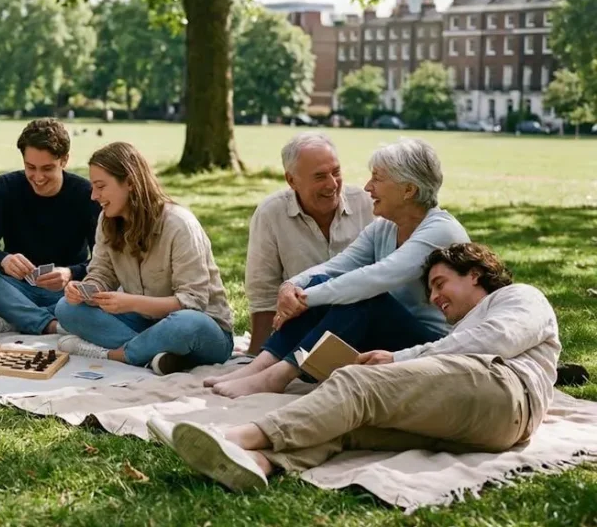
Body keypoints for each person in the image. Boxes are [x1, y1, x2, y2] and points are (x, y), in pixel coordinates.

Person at [161, 243, 558, 492]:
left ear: (475, 274)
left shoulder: (519, 296)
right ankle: (259, 463)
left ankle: (235, 437)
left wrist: (398, 359)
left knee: (358, 381)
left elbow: (493, 343)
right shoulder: (466, 325)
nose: (435, 297)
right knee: (351, 427)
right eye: (431, 290)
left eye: (440, 283)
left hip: (503, 389)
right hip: (493, 428)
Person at [207, 138, 470, 398]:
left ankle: (280, 375)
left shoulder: (439, 231)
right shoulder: (386, 226)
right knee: (322, 281)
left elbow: (374, 278)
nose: (368, 187)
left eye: (377, 179)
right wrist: (293, 286)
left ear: (408, 190)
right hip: (388, 337)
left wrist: (305, 300)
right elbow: (338, 266)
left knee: (365, 298)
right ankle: (260, 366)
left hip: (431, 348)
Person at [52, 142, 235, 374]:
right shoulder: (107, 222)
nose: (93, 196)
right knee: (66, 308)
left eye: (100, 187)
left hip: (204, 331)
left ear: (129, 182)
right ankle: (159, 354)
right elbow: (102, 273)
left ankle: (118, 354)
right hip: (144, 322)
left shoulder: (179, 225)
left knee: (185, 324)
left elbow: (194, 302)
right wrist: (85, 290)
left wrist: (130, 302)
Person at [0, 118, 100, 335]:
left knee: (112, 290)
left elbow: (103, 260)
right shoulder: (6, 187)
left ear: (64, 160)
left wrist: (70, 273)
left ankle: (16, 318)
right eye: (30, 167)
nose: (38, 177)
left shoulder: (86, 194)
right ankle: (49, 323)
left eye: (47, 168)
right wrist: (3, 260)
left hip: (65, 292)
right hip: (15, 287)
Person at [244, 133, 373, 354]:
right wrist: (256, 354)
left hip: (364, 322)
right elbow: (263, 292)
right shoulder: (271, 213)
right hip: (303, 326)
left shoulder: (366, 204)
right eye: (320, 176)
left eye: (336, 172)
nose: (332, 184)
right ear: (291, 180)